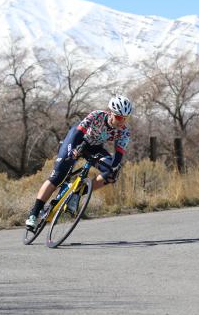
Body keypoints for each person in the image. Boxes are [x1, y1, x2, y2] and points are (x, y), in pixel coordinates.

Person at [25, 95, 133, 230]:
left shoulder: (124, 132)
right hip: (77, 140)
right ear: (111, 113)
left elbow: (119, 154)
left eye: (125, 118)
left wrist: (115, 167)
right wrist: (73, 150)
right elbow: (78, 133)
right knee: (57, 176)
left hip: (95, 148)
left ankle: (76, 193)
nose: (121, 121)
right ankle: (34, 214)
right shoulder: (97, 115)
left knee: (112, 173)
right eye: (118, 117)